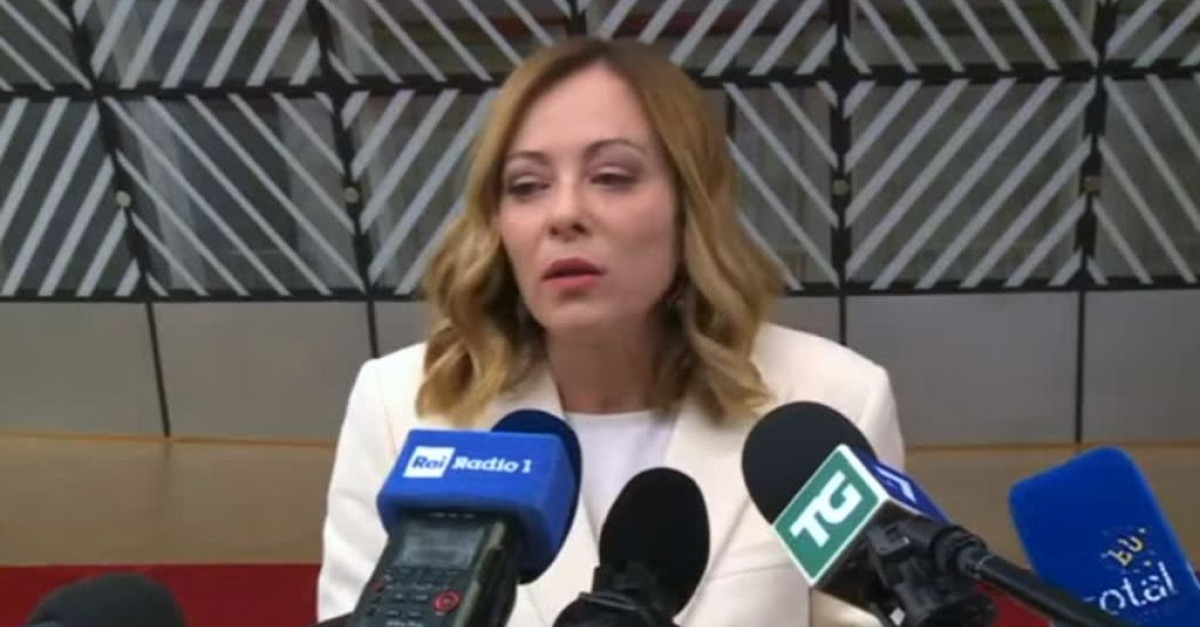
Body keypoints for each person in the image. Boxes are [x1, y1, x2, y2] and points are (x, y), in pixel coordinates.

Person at [317, 37, 904, 626]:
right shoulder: (400, 404)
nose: (563, 214)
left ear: (690, 205)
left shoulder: (830, 401)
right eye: (526, 185)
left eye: (612, 176)